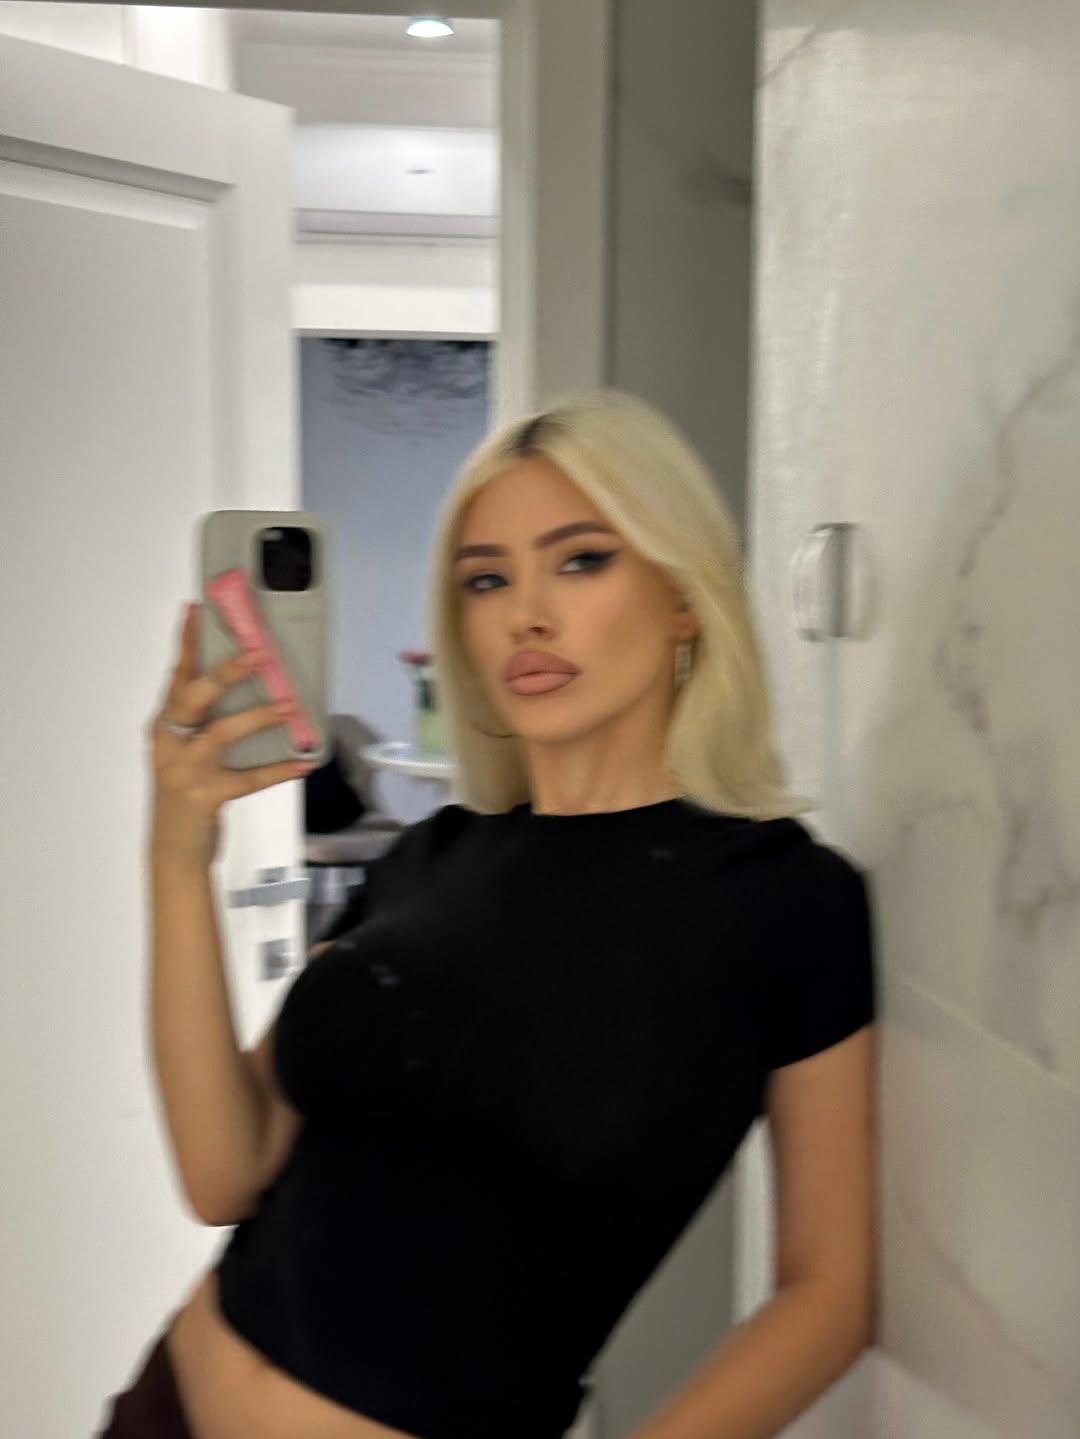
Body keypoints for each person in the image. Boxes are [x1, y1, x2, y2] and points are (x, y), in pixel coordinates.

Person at [100, 390, 877, 1439]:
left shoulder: (784, 899)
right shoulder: (426, 858)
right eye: (486, 578)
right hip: (163, 1405)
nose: (527, 614)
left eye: (581, 560)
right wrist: (177, 853)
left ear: (684, 595)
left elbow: (829, 1290)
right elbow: (224, 1171)